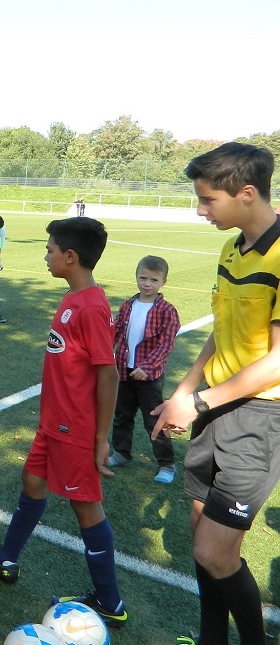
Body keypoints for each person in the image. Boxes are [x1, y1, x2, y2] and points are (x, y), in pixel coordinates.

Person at [0, 217, 128, 630]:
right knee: (32, 481)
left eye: (50, 250)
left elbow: (108, 374)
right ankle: (7, 557)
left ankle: (109, 600)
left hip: (73, 428)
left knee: (86, 507)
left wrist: (100, 439)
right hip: (53, 422)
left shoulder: (91, 306)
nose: (46, 256)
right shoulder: (73, 296)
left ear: (70, 256)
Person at [151, 142, 280, 645]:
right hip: (215, 406)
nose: (200, 210)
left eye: (208, 200)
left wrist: (201, 401)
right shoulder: (233, 248)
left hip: (260, 418)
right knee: (200, 536)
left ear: (246, 193)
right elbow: (221, 332)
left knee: (214, 551)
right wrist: (184, 391)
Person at [107, 255, 180, 484]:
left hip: (149, 377)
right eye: (143, 278)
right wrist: (105, 355)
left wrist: (147, 367)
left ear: (163, 282)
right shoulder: (128, 305)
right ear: (136, 277)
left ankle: (166, 463)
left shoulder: (167, 310)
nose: (147, 284)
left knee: (154, 421)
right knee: (122, 416)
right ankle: (121, 453)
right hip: (124, 372)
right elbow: (116, 333)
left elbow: (166, 344)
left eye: (154, 280)